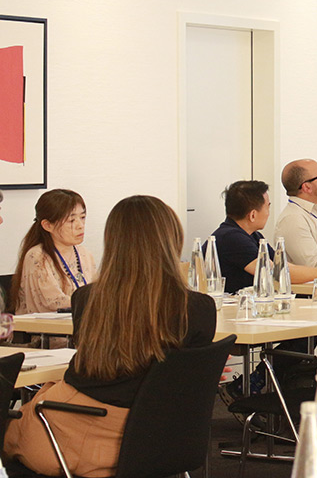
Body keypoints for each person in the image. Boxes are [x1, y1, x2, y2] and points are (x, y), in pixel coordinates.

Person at [4, 195, 216, 476]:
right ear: (172, 239)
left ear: (114, 241)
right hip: (163, 438)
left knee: (11, 427)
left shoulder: (88, 301)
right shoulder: (201, 309)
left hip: (84, 433)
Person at [212, 180, 317, 294]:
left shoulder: (254, 236)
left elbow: (283, 265)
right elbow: (276, 273)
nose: (268, 213)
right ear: (253, 215)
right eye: (268, 206)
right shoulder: (231, 238)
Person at [9, 189, 97, 314]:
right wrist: (94, 301)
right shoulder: (37, 257)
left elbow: (96, 291)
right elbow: (51, 303)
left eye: (82, 217)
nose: (80, 225)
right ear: (47, 225)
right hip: (49, 325)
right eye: (71, 220)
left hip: (80, 322)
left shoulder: (85, 254)